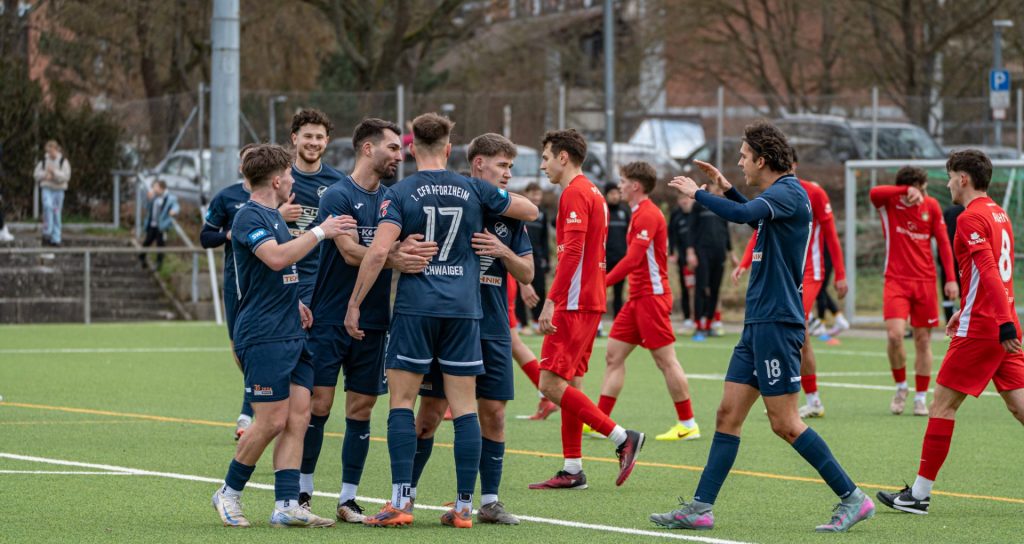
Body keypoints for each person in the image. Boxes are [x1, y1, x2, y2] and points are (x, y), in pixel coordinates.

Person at [651, 122, 874, 533]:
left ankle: (853, 498)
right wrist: (724, 187)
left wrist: (697, 193)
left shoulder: (789, 192)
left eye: (742, 156)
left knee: (785, 423)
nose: (739, 163)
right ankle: (700, 508)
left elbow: (742, 215)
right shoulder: (780, 196)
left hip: (777, 322)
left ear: (763, 160)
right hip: (759, 323)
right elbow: (752, 215)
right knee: (727, 414)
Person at [343, 113, 538, 528]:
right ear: (450, 150)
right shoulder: (474, 189)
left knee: (401, 403)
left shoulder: (400, 193)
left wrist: (355, 302)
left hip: (416, 309)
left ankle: (400, 503)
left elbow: (378, 253)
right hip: (464, 312)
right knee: (465, 408)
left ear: (412, 149)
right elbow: (529, 210)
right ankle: (464, 507)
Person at [296, 118, 435, 522]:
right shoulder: (336, 195)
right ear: (367, 149)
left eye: (401, 148)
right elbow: (350, 251)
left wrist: (404, 249)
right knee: (318, 406)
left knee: (361, 407)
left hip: (375, 319)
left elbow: (405, 244)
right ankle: (303, 493)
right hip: (328, 316)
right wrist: (392, 256)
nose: (400, 155)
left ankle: (347, 498)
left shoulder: (395, 198)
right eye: (392, 148)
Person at [210, 144, 356, 528]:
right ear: (276, 180)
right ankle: (228, 493)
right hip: (263, 335)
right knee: (271, 420)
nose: (293, 179)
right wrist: (321, 231)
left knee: (298, 418)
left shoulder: (275, 217)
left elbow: (277, 273)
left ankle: (287, 504)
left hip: (292, 331)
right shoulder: (247, 216)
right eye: (289, 174)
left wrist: (295, 302)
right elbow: (275, 258)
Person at [877, 149, 1024, 515]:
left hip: (985, 328)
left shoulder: (970, 217)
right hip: (997, 320)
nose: (946, 184)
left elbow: (989, 268)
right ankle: (918, 493)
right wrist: (968, 307)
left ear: (963, 179)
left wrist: (994, 318)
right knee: (1020, 405)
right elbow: (994, 274)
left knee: (942, 406)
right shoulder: (999, 213)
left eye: (949, 176)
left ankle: (919, 495)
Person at [410, 133, 536, 526]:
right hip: (448, 322)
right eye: (502, 166)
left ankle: (490, 501)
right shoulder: (454, 200)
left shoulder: (510, 217)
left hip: (494, 326)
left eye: (511, 167)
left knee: (494, 414)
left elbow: (529, 272)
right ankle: (406, 493)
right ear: (478, 163)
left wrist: (503, 252)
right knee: (429, 413)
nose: (508, 174)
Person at [529, 128, 645, 491]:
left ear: (563, 157)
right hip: (589, 300)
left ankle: (622, 437)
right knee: (570, 385)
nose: (543, 165)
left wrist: (552, 300)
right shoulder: (592, 190)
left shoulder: (575, 193)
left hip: (576, 302)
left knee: (549, 383)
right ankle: (572, 468)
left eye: (546, 157)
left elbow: (573, 253)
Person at [589, 161, 700, 442]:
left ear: (635, 186)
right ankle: (601, 422)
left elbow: (633, 259)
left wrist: (601, 283)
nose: (620, 186)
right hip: (636, 299)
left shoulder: (648, 214)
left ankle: (688, 424)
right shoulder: (636, 212)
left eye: (623, 181)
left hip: (652, 298)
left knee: (666, 361)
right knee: (613, 356)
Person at [732, 150, 848, 418]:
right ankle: (809, 399)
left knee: (799, 329)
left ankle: (799, 399)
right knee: (802, 333)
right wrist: (744, 264)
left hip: (810, 271)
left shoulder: (810, 193)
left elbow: (830, 234)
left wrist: (840, 273)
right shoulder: (773, 192)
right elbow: (760, 230)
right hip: (784, 271)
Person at [869, 166, 958, 416]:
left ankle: (920, 396)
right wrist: (904, 190)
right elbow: (874, 192)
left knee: (923, 340)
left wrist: (951, 279)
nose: (923, 193)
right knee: (895, 335)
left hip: (926, 282)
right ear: (910, 188)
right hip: (896, 280)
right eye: (920, 188)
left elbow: (943, 242)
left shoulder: (931, 206)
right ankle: (901, 388)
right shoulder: (890, 203)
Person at [201, 143, 263, 440]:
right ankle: (257, 402)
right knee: (240, 352)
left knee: (264, 349)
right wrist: (228, 233)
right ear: (241, 165)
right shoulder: (227, 197)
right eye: (247, 159)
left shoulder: (279, 195)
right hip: (235, 284)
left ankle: (249, 412)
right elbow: (205, 237)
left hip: (271, 285)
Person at [289, 109, 346, 307]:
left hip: (318, 278)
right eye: (308, 136)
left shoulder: (338, 182)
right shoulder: (279, 178)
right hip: (280, 274)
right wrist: (278, 214)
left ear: (327, 141)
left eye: (319, 137)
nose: (314, 142)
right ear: (295, 138)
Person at [687, 183, 735, 340]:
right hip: (702, 252)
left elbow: (726, 232)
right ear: (710, 188)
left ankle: (708, 324)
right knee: (701, 287)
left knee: (715, 289)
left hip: (719, 252)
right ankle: (699, 326)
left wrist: (731, 253)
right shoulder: (699, 205)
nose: (719, 190)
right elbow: (691, 229)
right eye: (716, 187)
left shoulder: (723, 206)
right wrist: (690, 251)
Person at [34, 140, 71, 246]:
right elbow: (36, 175)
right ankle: (47, 232)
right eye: (48, 151)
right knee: (47, 207)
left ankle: (56, 238)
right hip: (47, 188)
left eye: (52, 150)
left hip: (58, 190)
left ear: (56, 149)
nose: (50, 153)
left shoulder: (63, 161)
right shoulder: (43, 161)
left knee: (56, 212)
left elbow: (66, 176)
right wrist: (45, 174)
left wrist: (54, 173)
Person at [668, 193, 696, 333]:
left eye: (687, 198)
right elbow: (671, 234)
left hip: (699, 258)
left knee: (701, 289)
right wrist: (672, 253)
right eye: (681, 199)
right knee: (686, 288)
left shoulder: (697, 213)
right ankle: (687, 319)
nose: (684, 201)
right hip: (683, 260)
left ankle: (700, 318)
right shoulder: (676, 215)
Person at [139, 179, 180, 271]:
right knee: (147, 242)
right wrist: (148, 199)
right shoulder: (154, 197)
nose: (153, 189)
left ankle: (159, 263)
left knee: (160, 244)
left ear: (161, 188)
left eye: (155, 187)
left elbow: (176, 206)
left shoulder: (170, 198)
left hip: (161, 226)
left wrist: (174, 211)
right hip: (152, 224)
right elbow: (146, 206)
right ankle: (142, 258)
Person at [605, 182, 630, 318]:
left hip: (621, 259)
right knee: (600, 291)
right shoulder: (602, 211)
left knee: (619, 293)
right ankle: (598, 324)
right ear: (606, 195)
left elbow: (630, 235)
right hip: (604, 259)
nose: (614, 196)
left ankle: (617, 321)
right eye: (611, 194)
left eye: (617, 193)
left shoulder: (624, 212)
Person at [939, 203, 964, 322]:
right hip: (962, 263)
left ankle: (950, 331)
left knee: (948, 298)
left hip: (948, 263)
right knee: (969, 300)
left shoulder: (949, 211)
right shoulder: (949, 212)